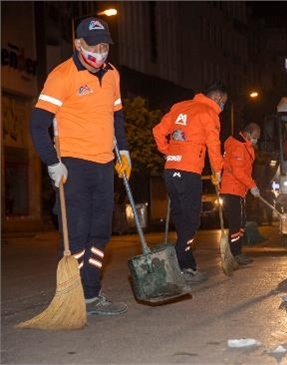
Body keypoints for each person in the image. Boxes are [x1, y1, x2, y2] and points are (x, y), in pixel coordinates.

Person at [28, 17, 130, 316]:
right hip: (73, 164)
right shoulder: (61, 76)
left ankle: (91, 292)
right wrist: (52, 163)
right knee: (77, 233)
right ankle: (75, 293)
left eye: (103, 46)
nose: (99, 52)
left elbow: (117, 116)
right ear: (77, 44)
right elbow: (37, 125)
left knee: (100, 233)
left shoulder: (112, 75)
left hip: (104, 164)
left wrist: (123, 149)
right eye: (92, 45)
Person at [152, 81, 227, 284]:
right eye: (223, 103)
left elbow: (158, 131)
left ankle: (188, 266)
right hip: (189, 172)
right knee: (192, 221)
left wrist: (169, 152)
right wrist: (217, 171)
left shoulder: (179, 107)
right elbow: (213, 144)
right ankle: (175, 263)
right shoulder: (208, 113)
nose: (222, 108)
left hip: (170, 171)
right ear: (217, 98)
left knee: (182, 220)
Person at [219, 122, 261, 265]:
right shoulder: (237, 146)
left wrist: (248, 186)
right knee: (236, 223)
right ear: (248, 134)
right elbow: (238, 171)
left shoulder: (244, 145)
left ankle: (236, 251)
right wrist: (252, 185)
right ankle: (235, 253)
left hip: (238, 190)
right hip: (232, 189)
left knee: (241, 222)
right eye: (255, 137)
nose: (256, 140)